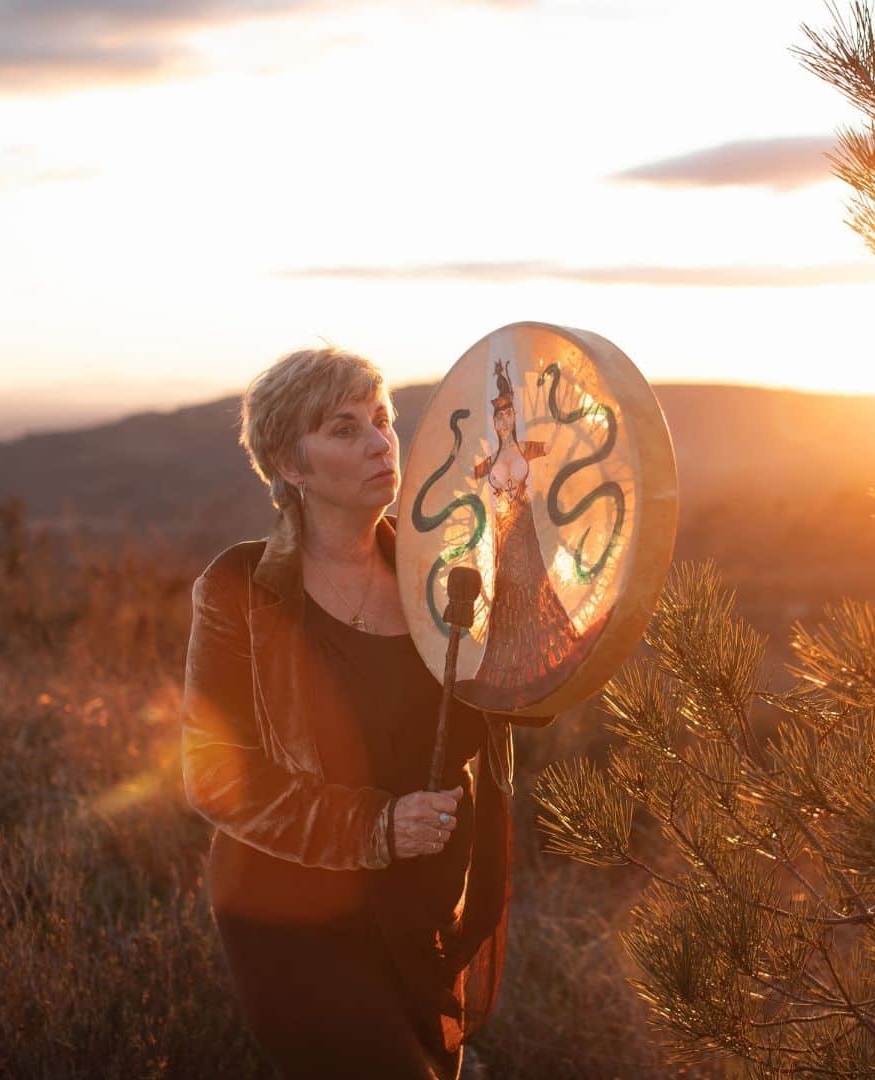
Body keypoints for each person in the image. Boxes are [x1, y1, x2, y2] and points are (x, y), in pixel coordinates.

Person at [180, 347, 548, 1079]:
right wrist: (377, 827)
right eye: (344, 429)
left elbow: (525, 699)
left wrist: (519, 538)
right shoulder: (241, 588)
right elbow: (215, 778)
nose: (381, 442)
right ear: (291, 465)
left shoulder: (447, 574)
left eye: (382, 419)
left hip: (421, 905)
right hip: (290, 911)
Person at [467, 359, 607, 712]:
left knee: (535, 593)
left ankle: (543, 666)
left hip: (526, 529)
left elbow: (558, 449)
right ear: (494, 421)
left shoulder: (529, 448)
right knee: (506, 599)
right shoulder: (488, 462)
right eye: (499, 417)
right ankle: (506, 674)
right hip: (502, 536)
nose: (504, 422)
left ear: (514, 416)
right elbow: (465, 477)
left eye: (508, 415)